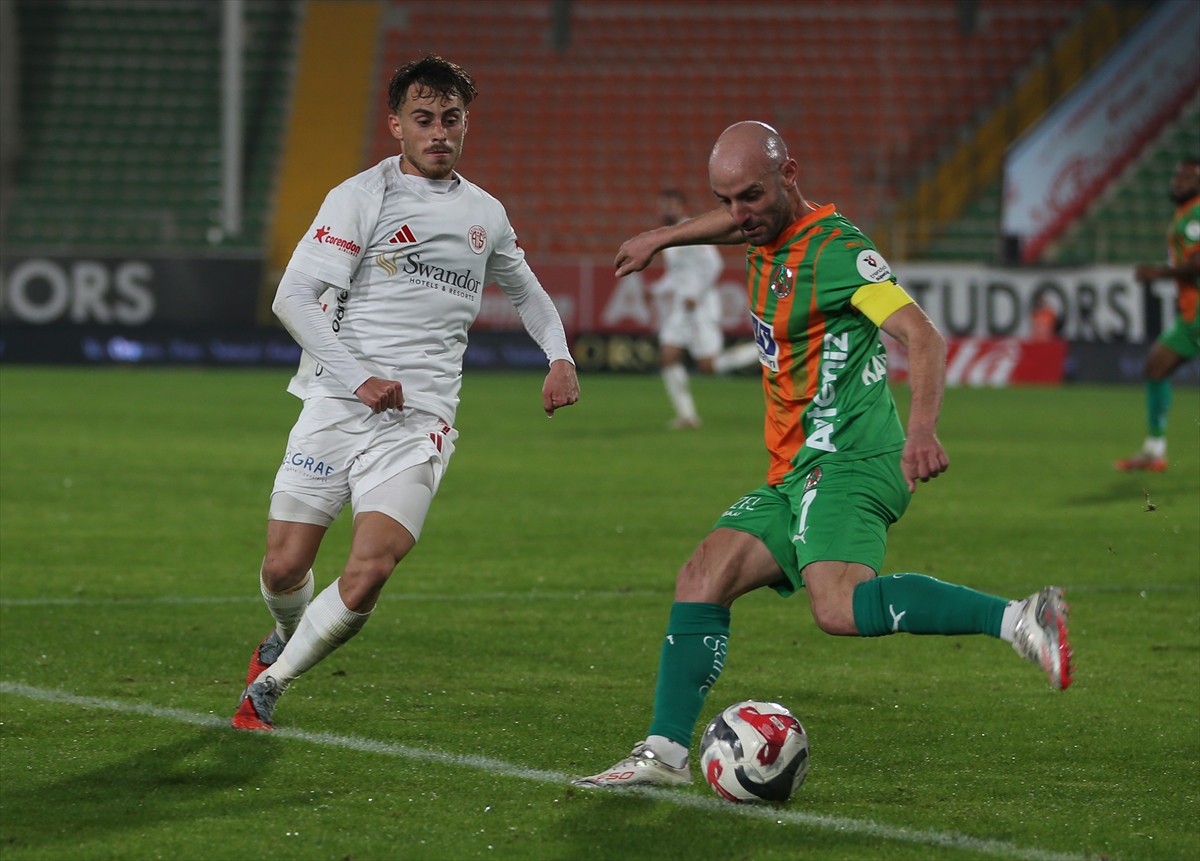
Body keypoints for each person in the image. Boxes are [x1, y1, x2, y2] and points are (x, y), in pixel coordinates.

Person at [573, 122, 1072, 789]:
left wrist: (922, 429)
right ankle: (663, 755)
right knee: (703, 575)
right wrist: (662, 237)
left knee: (837, 606)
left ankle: (1019, 618)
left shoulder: (837, 252)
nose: (739, 215)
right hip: (796, 465)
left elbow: (923, 336)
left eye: (751, 196)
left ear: (790, 174)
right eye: (727, 200)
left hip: (852, 458)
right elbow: (735, 220)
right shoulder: (759, 229)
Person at [231, 55, 579, 731]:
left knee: (371, 567)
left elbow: (529, 292)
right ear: (396, 125)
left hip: (420, 419)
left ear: (465, 123)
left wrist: (559, 357)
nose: (439, 133)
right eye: (424, 119)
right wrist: (358, 377)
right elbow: (292, 298)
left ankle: (273, 682)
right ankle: (285, 636)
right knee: (282, 567)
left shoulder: (485, 213)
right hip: (337, 405)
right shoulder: (361, 196)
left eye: (451, 118)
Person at [1116, 158, 1200, 473]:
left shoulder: (1196, 213)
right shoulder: (1185, 213)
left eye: (1187, 178)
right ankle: (1154, 451)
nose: (1178, 182)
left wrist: (1160, 273)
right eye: (1177, 176)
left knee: (1155, 368)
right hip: (1191, 313)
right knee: (1155, 369)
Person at [652, 189, 757, 428]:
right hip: (682, 309)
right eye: (663, 205)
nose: (667, 209)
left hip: (701, 308)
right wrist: (655, 291)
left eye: (671, 204)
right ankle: (687, 416)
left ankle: (762, 350)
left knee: (710, 366)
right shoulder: (669, 237)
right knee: (668, 356)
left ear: (682, 207)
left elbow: (714, 264)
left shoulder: (691, 231)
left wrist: (695, 294)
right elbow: (676, 276)